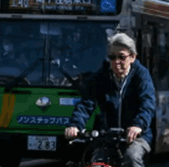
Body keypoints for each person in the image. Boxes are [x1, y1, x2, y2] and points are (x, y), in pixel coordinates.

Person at [65, 33, 156, 167]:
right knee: (96, 162)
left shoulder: (141, 75)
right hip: (107, 136)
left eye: (122, 57)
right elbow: (87, 103)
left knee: (132, 157)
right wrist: (75, 125)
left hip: (136, 136)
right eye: (112, 57)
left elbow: (147, 103)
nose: (116, 62)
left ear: (132, 57)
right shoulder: (101, 76)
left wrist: (138, 125)